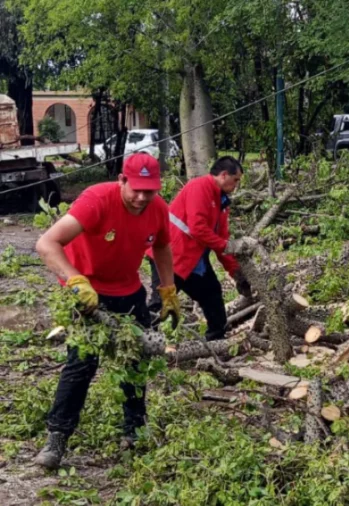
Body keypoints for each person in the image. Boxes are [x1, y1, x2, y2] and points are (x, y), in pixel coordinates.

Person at [33, 153, 180, 470]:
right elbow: (46, 244)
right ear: (122, 180)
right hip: (88, 291)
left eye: (149, 190)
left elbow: (162, 246)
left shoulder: (157, 208)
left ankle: (135, 430)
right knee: (82, 364)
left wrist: (167, 290)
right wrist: (75, 281)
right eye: (136, 189)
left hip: (128, 290)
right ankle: (56, 439)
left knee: (136, 361)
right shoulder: (96, 200)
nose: (142, 197)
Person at [148, 156, 248, 342]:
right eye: (236, 180)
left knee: (213, 296)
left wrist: (235, 271)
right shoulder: (200, 187)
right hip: (172, 256)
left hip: (194, 261)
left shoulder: (223, 202)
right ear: (224, 175)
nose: (236, 185)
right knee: (159, 304)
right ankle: (141, 344)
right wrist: (226, 246)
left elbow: (222, 241)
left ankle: (216, 342)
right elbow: (198, 228)